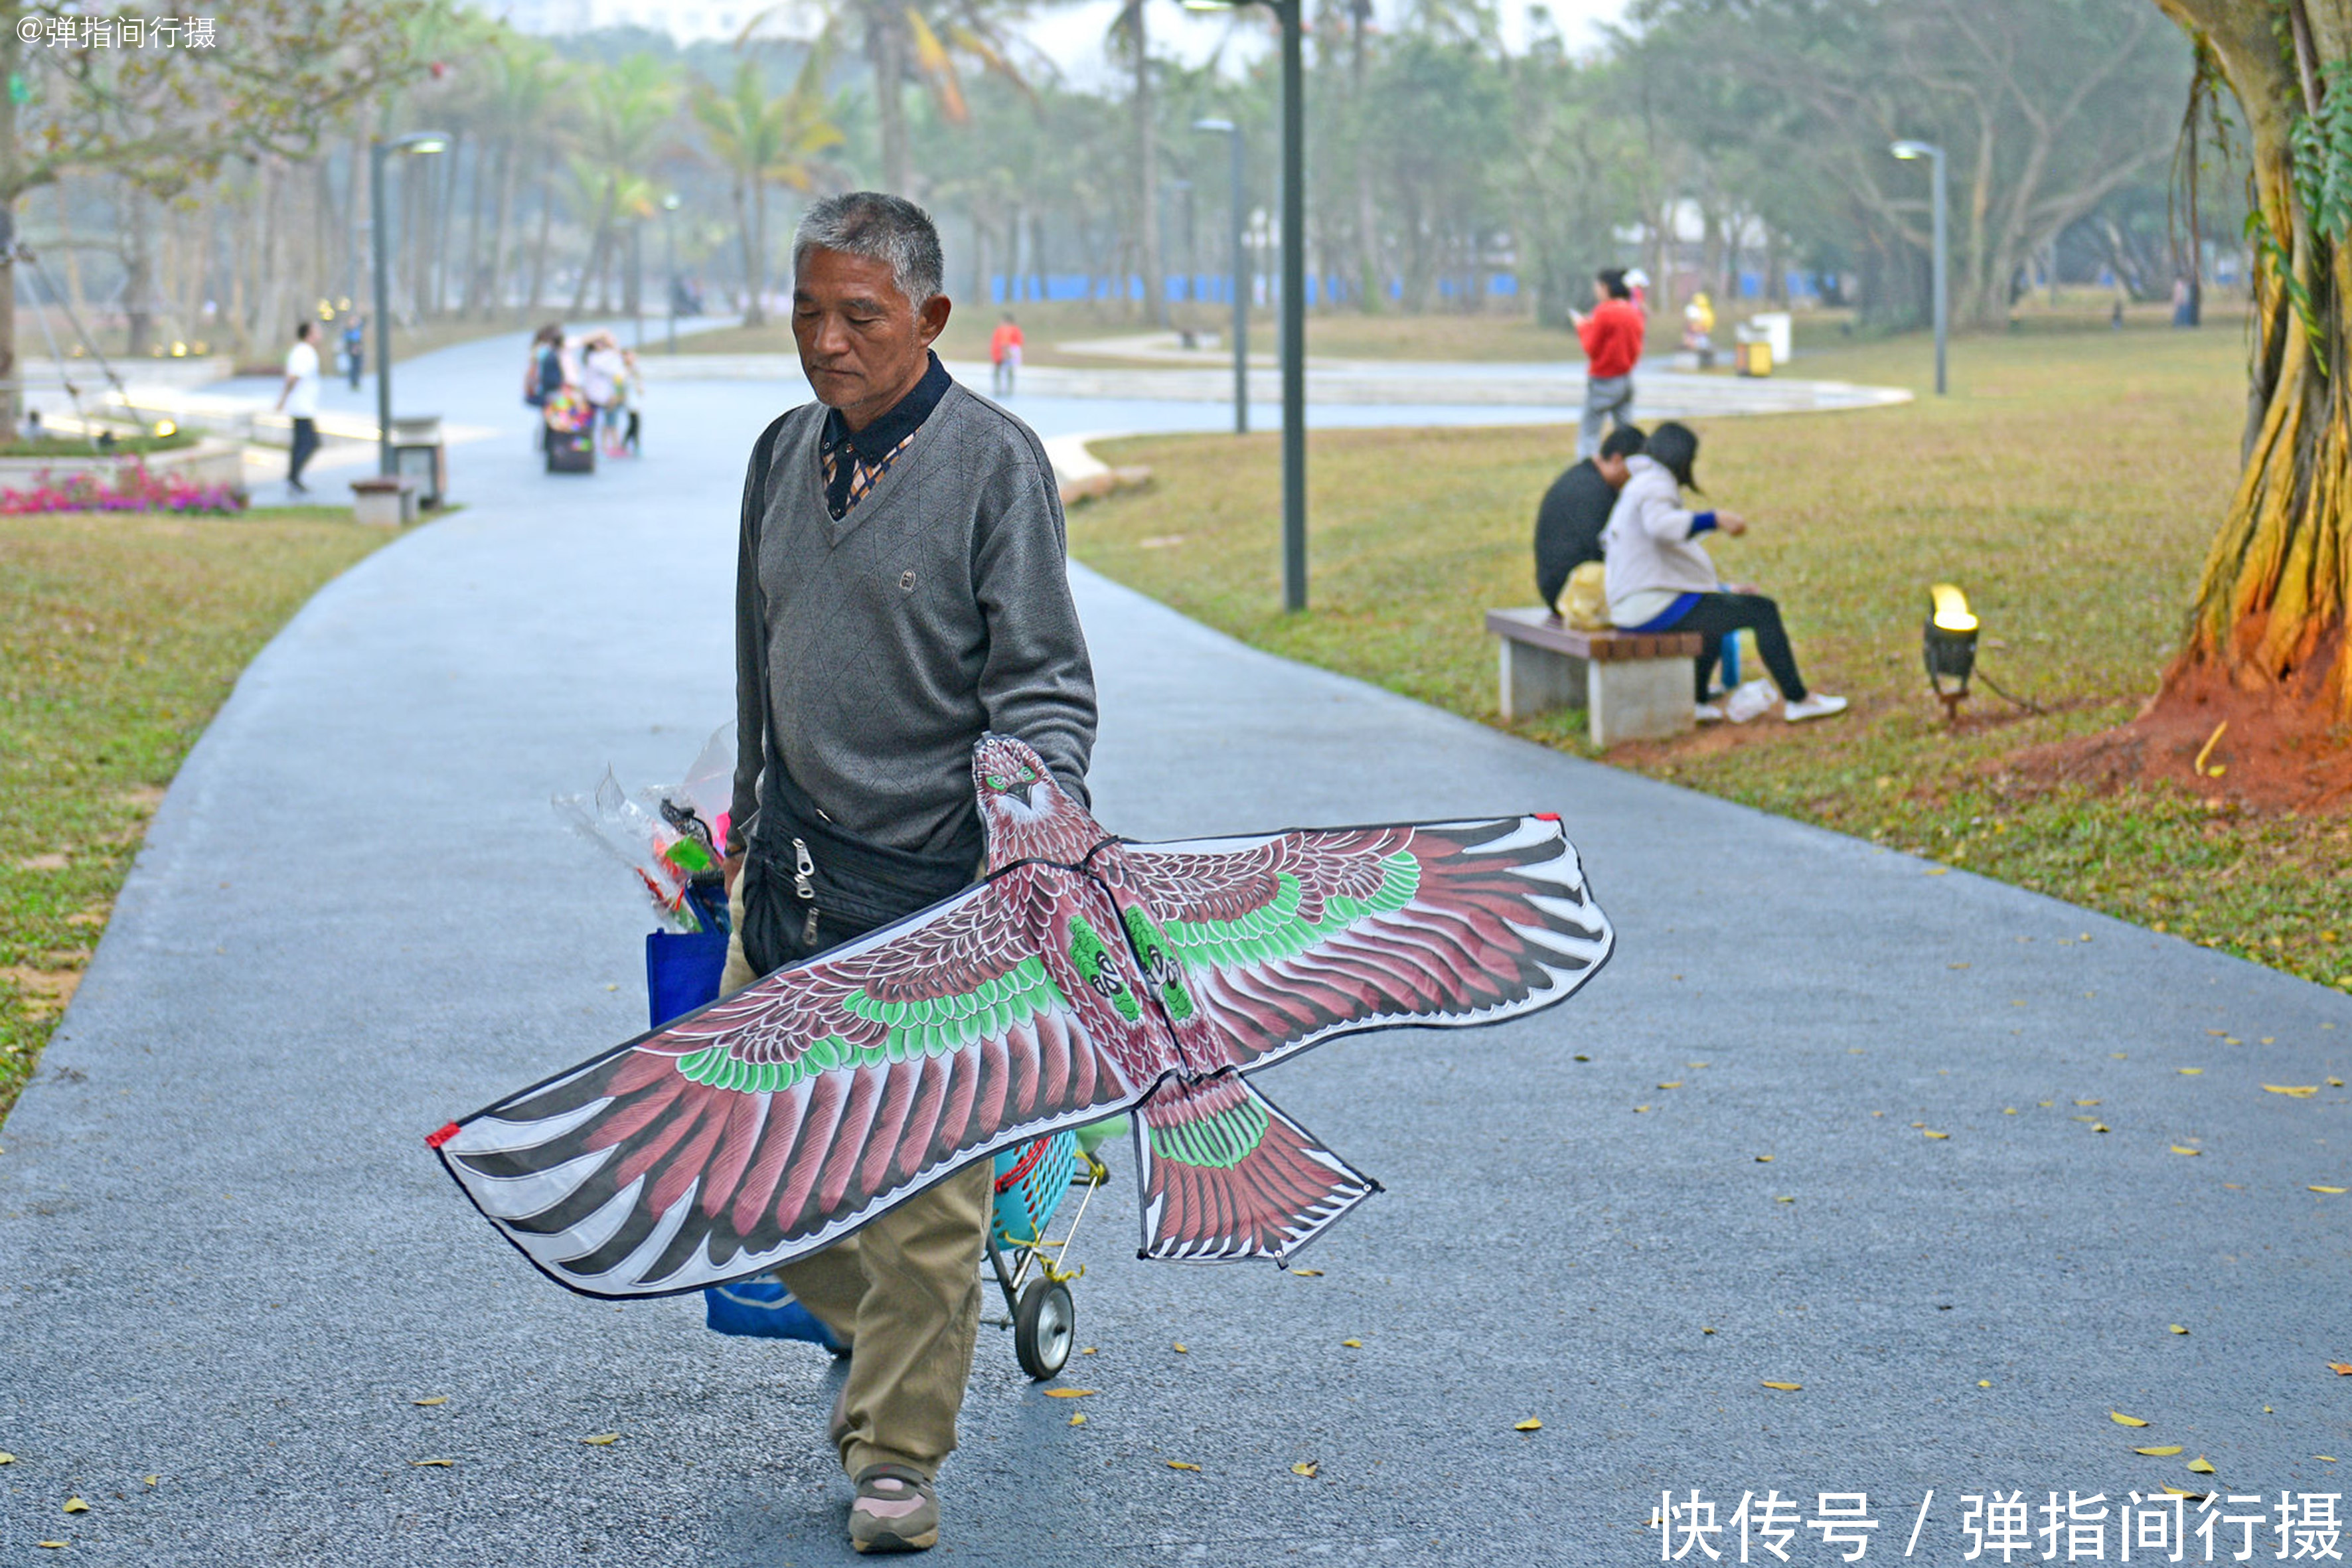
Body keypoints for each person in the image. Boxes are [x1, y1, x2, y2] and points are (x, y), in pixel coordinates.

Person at [720, 191, 1095, 1555]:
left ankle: (895, 1453)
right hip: (787, 881)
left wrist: (1035, 824)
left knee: (927, 1206)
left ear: (930, 319)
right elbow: (760, 659)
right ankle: (893, 1330)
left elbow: (1047, 685)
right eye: (808, 311)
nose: (826, 342)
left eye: (859, 317)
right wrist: (746, 815)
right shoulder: (778, 455)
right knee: (745, 1179)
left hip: (942, 897)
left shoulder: (994, 464)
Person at [1600, 420, 1847, 724]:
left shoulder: (1639, 483)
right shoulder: (1656, 483)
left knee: (1713, 621)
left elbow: (1660, 560)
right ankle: (1798, 699)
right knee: (1763, 611)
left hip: (1634, 604)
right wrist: (1714, 519)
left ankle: (1697, 701)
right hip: (1648, 605)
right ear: (1682, 458)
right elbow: (1661, 527)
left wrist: (1722, 590)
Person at [1534, 423, 1644, 613]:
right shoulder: (1596, 492)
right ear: (1618, 460)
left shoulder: (1582, 476)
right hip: (1573, 593)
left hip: (1557, 587)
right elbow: (1612, 549)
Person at [1569, 268, 1644, 459]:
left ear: (1606, 287)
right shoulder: (1632, 311)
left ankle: (1586, 471)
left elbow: (1592, 348)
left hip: (1604, 381)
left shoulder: (1604, 312)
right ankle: (1632, 464)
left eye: (1598, 286)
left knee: (1590, 432)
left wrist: (1582, 326)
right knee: (1626, 430)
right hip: (1626, 379)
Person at [274, 320, 321, 495]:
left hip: (301, 405)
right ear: (309, 334)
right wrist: (282, 399)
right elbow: (293, 377)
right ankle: (293, 477)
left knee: (300, 444)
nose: (320, 334)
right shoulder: (304, 353)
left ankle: (293, 479)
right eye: (317, 330)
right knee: (310, 443)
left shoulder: (301, 351)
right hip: (302, 407)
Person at [582, 331, 627, 457]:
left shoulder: (612, 357)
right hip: (593, 395)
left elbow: (619, 375)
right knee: (591, 423)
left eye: (602, 342)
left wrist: (616, 393)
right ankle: (592, 447)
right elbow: (588, 376)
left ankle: (608, 448)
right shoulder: (591, 358)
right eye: (597, 342)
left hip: (608, 395)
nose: (599, 345)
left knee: (609, 424)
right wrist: (584, 392)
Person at [988, 311, 1023, 397]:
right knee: (1001, 372)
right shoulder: (1001, 329)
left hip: (1007, 353)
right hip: (1001, 354)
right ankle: (1001, 390)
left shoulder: (1009, 329)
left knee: (1007, 372)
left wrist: (1007, 353)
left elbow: (1010, 343)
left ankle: (1006, 390)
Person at [342, 317, 365, 391]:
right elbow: (348, 342)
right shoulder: (348, 331)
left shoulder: (357, 329)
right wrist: (352, 349)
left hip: (358, 351)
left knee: (358, 367)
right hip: (352, 351)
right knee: (353, 367)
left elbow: (359, 340)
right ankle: (353, 383)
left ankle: (357, 383)